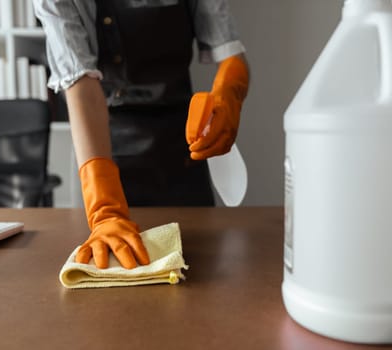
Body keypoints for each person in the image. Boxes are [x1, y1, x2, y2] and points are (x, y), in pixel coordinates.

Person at [34, 0, 250, 269]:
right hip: (104, 151)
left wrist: (227, 95)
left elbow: (231, 55)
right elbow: (80, 83)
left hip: (182, 151)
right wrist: (105, 211)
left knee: (200, 274)